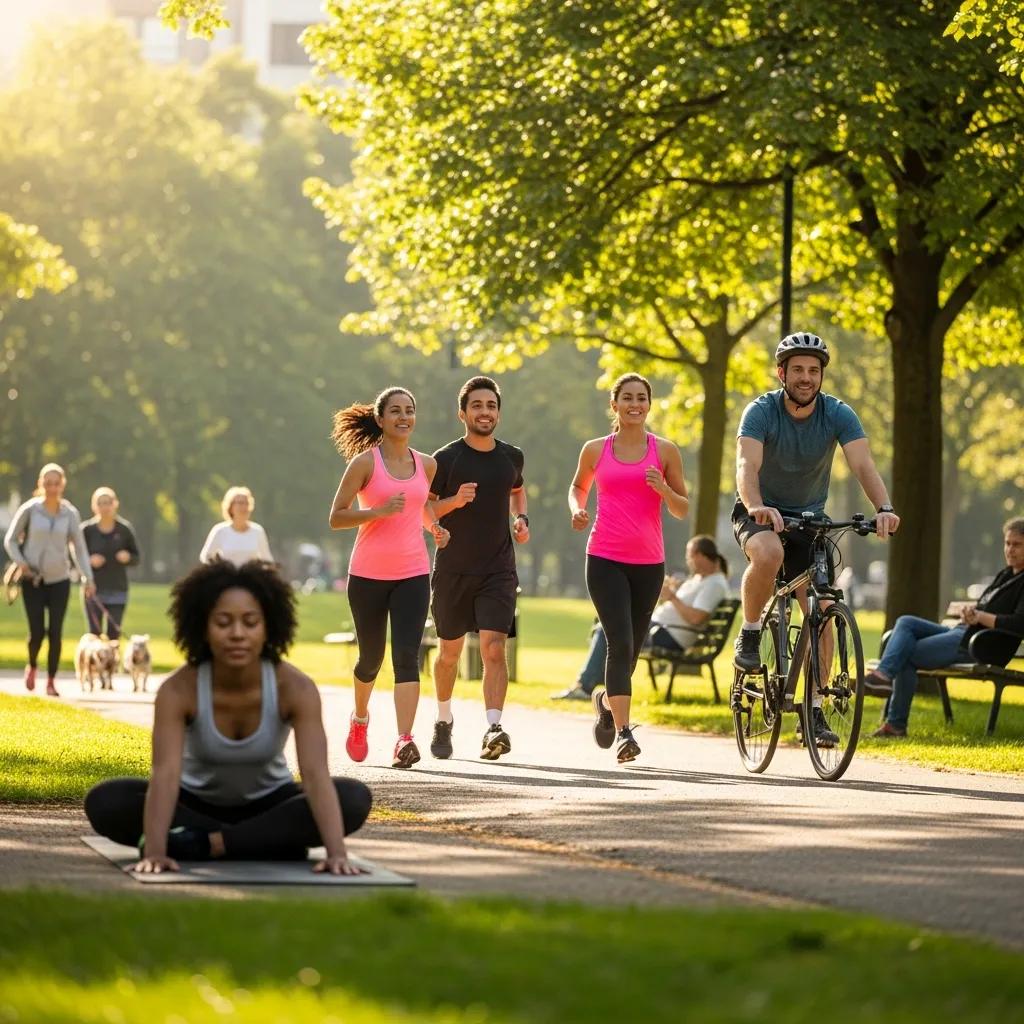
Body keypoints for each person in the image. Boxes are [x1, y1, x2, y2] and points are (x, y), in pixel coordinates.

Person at [83, 560, 371, 875]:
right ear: (203, 627)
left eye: (250, 622)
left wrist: (337, 854)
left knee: (353, 798)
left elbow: (315, 774)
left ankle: (211, 844)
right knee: (106, 801)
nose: (237, 634)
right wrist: (154, 851)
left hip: (271, 804)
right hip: (194, 806)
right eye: (223, 622)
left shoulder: (295, 688)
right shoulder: (178, 691)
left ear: (268, 626)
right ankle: (265, 841)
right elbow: (165, 775)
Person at [732, 332, 900, 746]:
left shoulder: (838, 414)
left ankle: (814, 710)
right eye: (798, 370)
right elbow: (745, 466)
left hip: (809, 521)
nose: (806, 377)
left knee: (823, 608)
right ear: (782, 372)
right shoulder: (761, 411)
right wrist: (757, 506)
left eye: (813, 370)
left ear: (822, 374)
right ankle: (751, 632)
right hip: (759, 512)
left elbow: (863, 465)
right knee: (768, 553)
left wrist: (884, 508)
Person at [568, 373, 690, 762]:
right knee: (619, 643)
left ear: (649, 405)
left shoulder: (665, 451)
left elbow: (682, 508)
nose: (635, 404)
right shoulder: (595, 449)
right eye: (627, 398)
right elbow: (577, 487)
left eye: (641, 398)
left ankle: (605, 700)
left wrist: (663, 489)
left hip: (648, 563)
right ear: (614, 404)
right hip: (604, 557)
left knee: (632, 649)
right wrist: (578, 509)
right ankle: (624, 733)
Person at [328, 386, 450, 769]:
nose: (404, 417)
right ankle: (360, 718)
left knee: (407, 656)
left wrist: (436, 528)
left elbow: (423, 506)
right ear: (380, 419)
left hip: (413, 573)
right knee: (370, 658)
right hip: (367, 575)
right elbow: (336, 517)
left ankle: (403, 740)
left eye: (410, 410)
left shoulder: (427, 464)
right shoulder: (365, 464)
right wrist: (376, 512)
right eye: (395, 411)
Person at [427, 376, 528, 761]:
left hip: (498, 569)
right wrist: (453, 503)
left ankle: (494, 728)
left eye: (491, 406)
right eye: (477, 406)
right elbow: (426, 508)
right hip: (453, 569)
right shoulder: (445, 459)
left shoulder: (511, 456)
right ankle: (443, 718)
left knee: (494, 648)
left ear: (498, 413)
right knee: (449, 653)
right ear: (463, 413)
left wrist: (522, 519)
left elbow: (517, 489)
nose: (485, 412)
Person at [866, 517, 1024, 737]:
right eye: (1007, 543)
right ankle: (884, 678)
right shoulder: (1006, 574)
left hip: (980, 644)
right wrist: (970, 612)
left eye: (1017, 544)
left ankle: (894, 720)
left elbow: (1019, 624)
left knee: (906, 652)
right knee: (906, 622)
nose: (1010, 549)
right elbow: (985, 607)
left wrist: (980, 616)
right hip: (965, 631)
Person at [553, 535, 730, 700]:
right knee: (609, 627)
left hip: (668, 635)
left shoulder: (714, 583)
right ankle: (595, 684)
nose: (688, 561)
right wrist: (671, 593)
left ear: (700, 555)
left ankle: (585, 687)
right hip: (660, 629)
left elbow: (696, 618)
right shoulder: (699, 579)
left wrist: (672, 597)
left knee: (608, 630)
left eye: (690, 555)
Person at [3, 463, 95, 697]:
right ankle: (32, 665)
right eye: (48, 483)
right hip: (32, 579)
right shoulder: (31, 510)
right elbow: (11, 540)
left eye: (56, 483)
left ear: (62, 485)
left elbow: (80, 549)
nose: (52, 487)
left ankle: (51, 680)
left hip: (59, 579)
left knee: (55, 631)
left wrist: (88, 577)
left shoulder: (69, 513)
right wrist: (21, 562)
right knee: (37, 632)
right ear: (41, 484)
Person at [82, 486, 141, 640]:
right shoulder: (86, 530)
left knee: (114, 634)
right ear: (94, 506)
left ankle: (111, 664)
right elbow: (74, 557)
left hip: (118, 589)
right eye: (100, 503)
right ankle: (94, 664)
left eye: (108, 502)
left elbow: (137, 557)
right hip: (93, 589)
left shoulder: (124, 530)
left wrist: (127, 557)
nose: (105, 507)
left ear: (115, 504)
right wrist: (89, 560)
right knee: (94, 634)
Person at [199, 486, 273, 567]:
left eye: (247, 503)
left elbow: (267, 560)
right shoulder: (220, 530)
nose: (244, 507)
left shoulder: (258, 531)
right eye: (240, 503)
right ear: (231, 507)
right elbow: (206, 557)